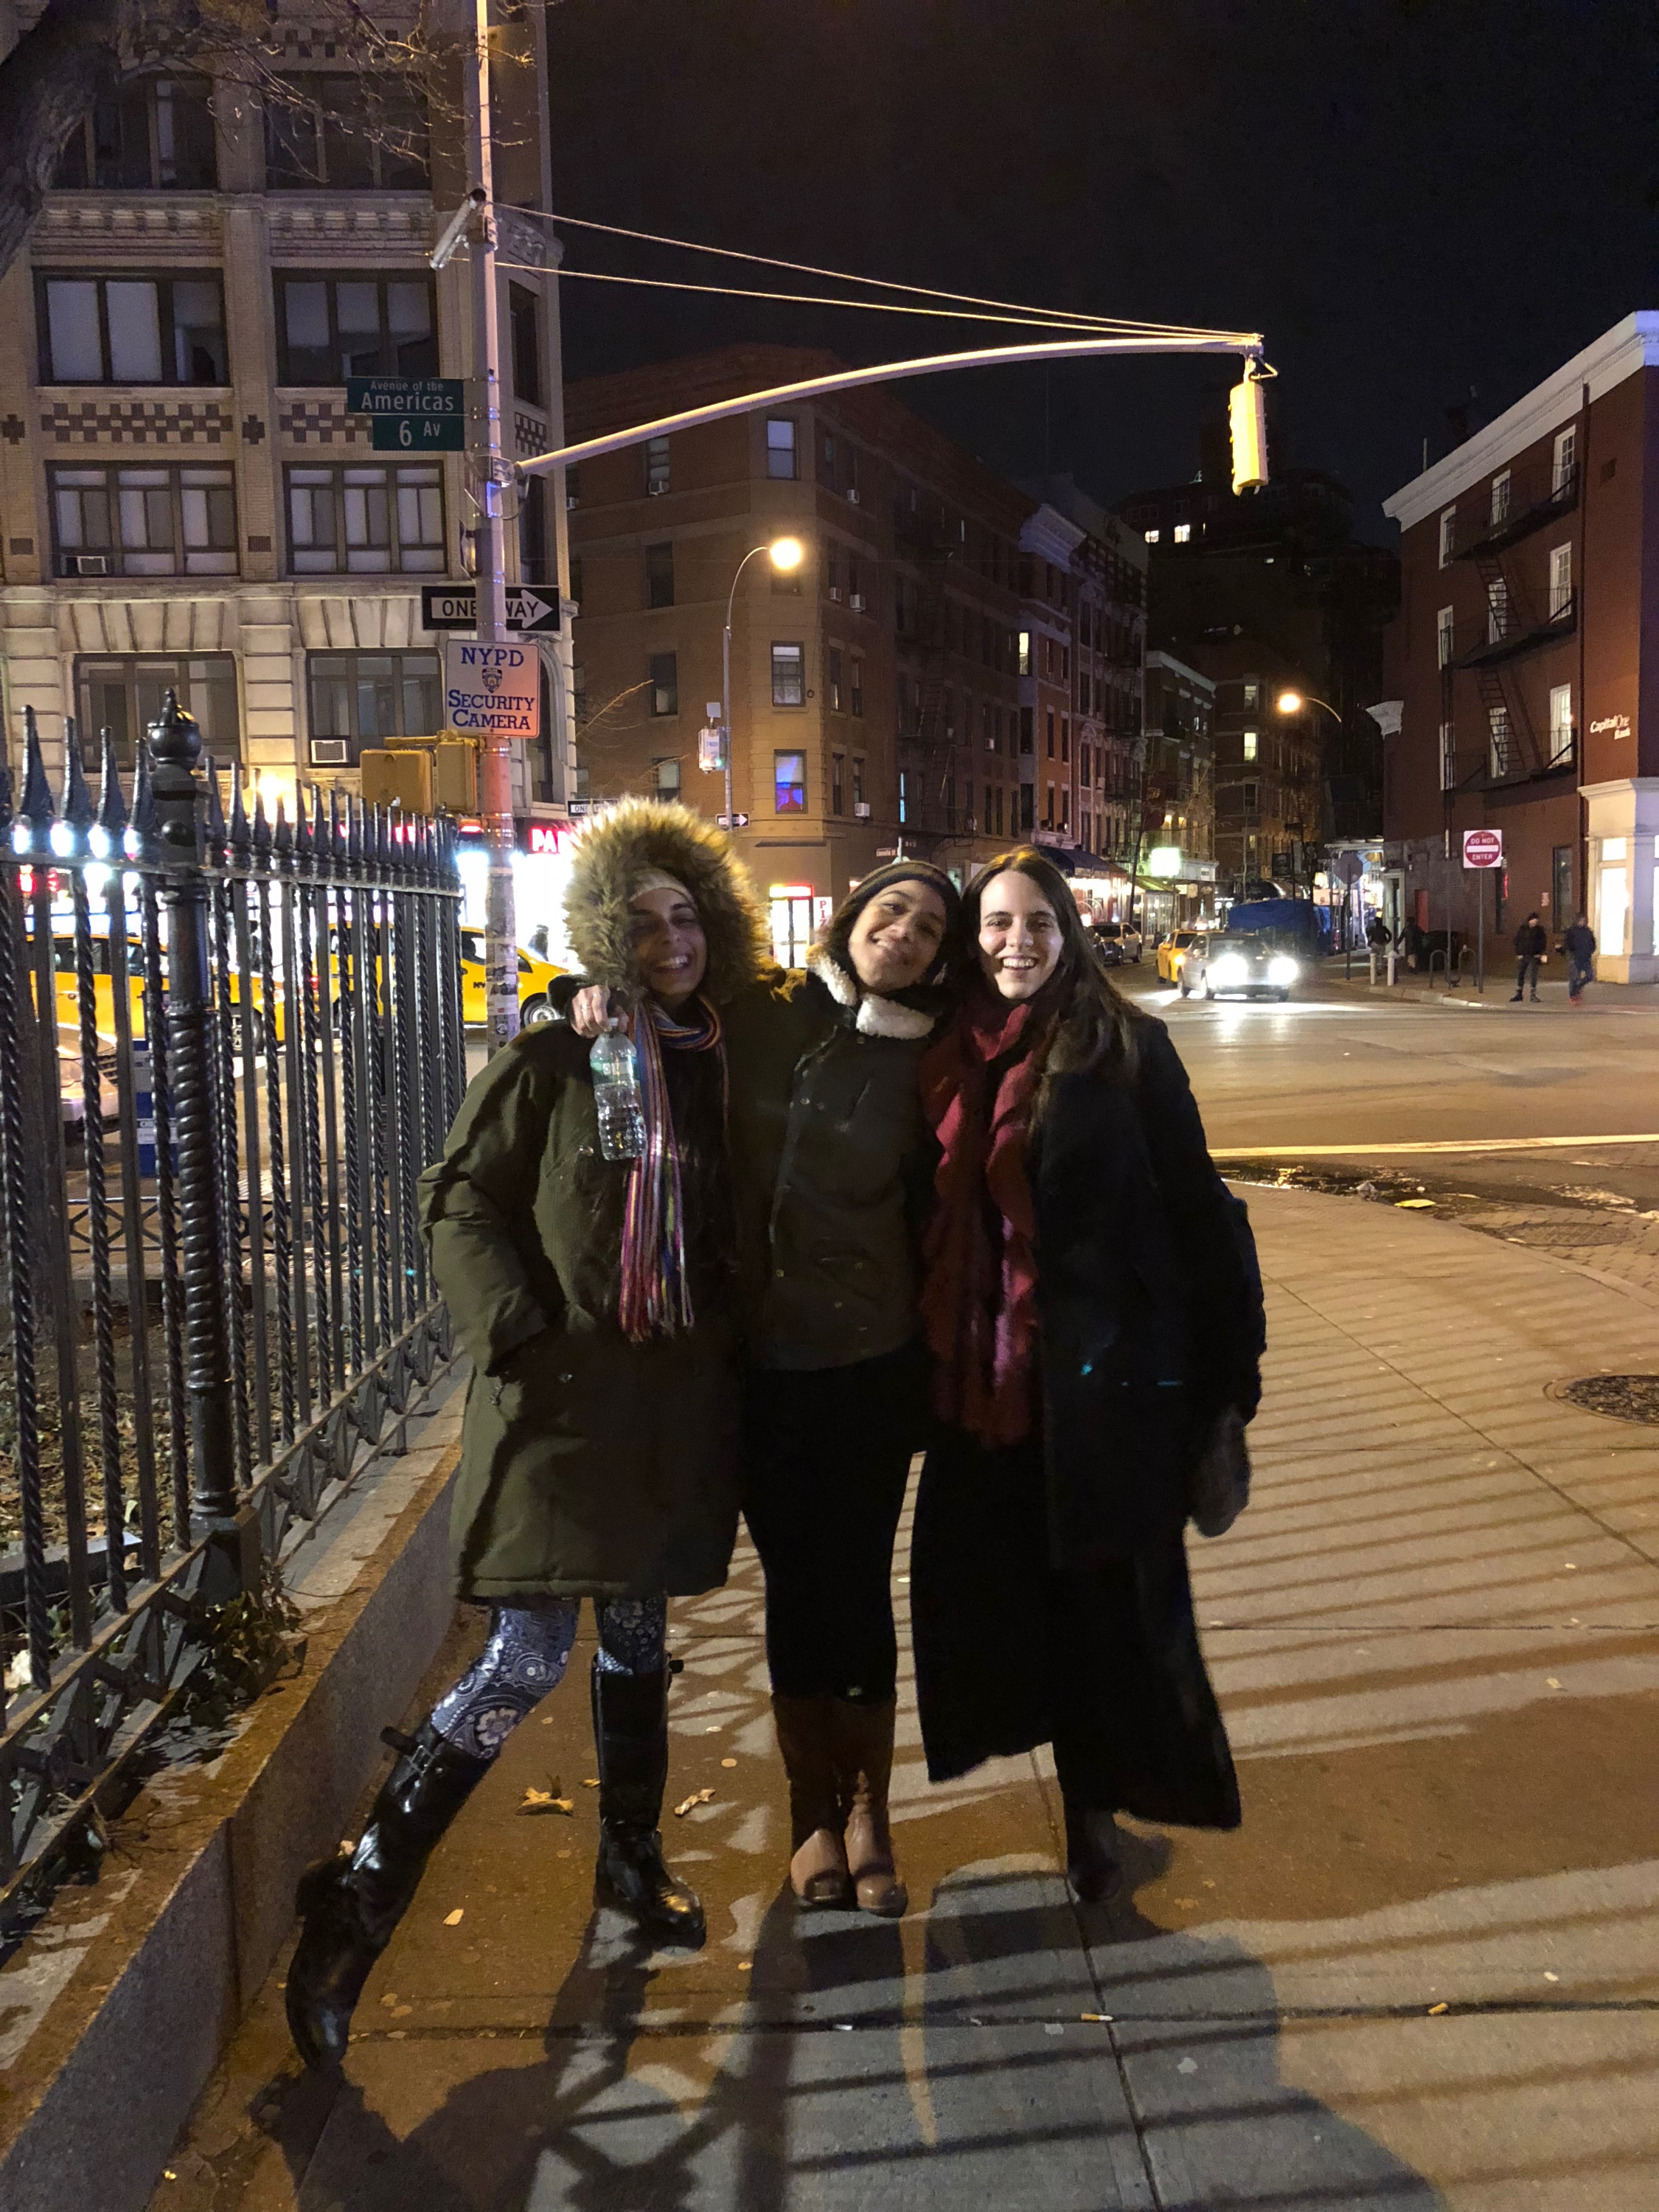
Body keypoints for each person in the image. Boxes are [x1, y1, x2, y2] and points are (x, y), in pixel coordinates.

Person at [284, 799, 767, 2071]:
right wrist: (520, 1331)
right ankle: (361, 1902)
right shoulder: (567, 1058)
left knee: (642, 1637)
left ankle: (630, 1860)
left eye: (688, 917)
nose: (671, 940)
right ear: (609, 927)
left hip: (670, 1409)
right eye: (646, 919)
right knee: (525, 1657)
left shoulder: (716, 1054)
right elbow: (459, 1199)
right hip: (563, 1403)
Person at [574, 861, 963, 1918]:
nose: (905, 933)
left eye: (929, 928)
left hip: (871, 1367)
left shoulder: (931, 1053)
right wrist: (584, 994)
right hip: (762, 1369)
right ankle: (811, 1816)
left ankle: (871, 1811)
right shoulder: (761, 1013)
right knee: (795, 1589)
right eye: (891, 910)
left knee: (856, 1589)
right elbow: (652, 1022)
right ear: (851, 917)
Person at [909, 846, 1265, 1903]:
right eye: (995, 925)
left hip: (1103, 1391)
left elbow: (1203, 1218)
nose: (1015, 943)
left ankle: (1091, 1810)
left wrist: (1223, 1389)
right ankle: (1065, 1781)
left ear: (1067, 934)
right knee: (1001, 1599)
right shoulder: (941, 1055)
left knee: (1103, 1608)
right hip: (980, 1389)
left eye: (1036, 923)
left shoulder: (1128, 1048)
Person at [1512, 911, 1548, 1001]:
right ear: (1530, 920)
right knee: (1521, 974)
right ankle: (1519, 994)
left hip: (1534, 956)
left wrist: (1540, 953)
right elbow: (1517, 942)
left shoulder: (1540, 930)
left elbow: (1543, 942)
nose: (1535, 922)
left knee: (1533, 975)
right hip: (1524, 955)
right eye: (1534, 920)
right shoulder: (1523, 929)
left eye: (1536, 921)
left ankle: (1533, 994)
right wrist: (1519, 953)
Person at [1561, 912, 1596, 1003]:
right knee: (1574, 977)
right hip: (1575, 957)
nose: (1583, 922)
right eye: (1581, 920)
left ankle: (1578, 987)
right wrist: (1571, 952)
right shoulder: (1572, 931)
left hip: (1586, 957)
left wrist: (1591, 950)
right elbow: (1567, 943)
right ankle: (1573, 995)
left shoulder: (1588, 931)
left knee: (1590, 975)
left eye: (1584, 921)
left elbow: (1593, 943)